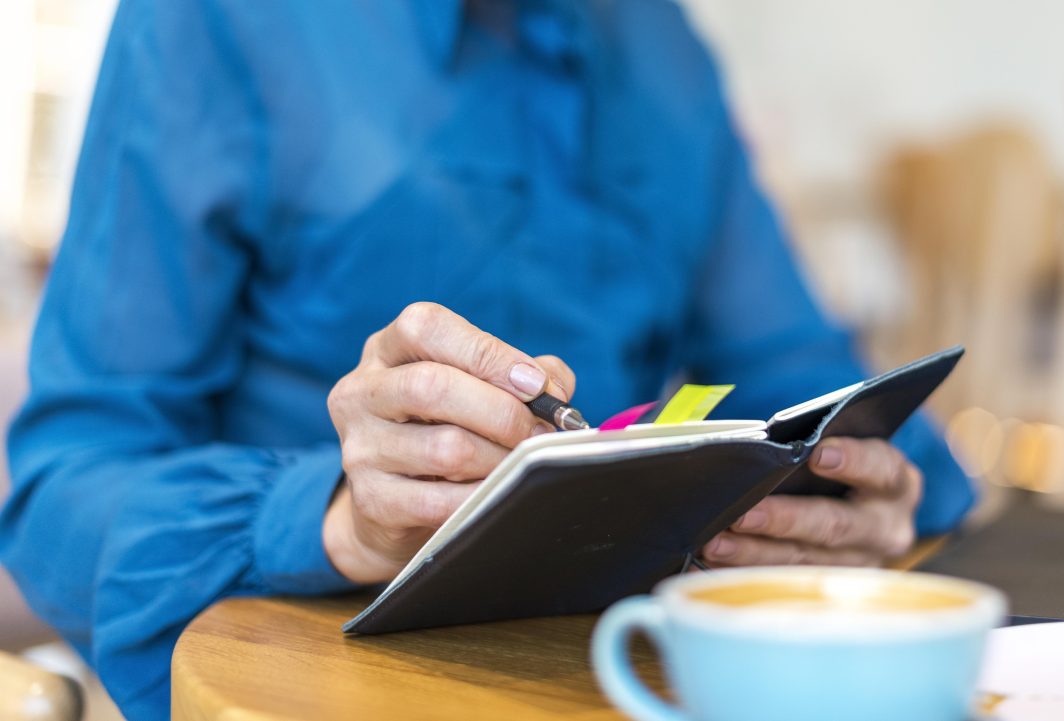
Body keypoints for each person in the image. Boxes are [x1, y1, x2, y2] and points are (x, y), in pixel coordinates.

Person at [0, 1, 975, 719]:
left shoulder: (665, 48)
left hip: (636, 678)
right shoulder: (211, 22)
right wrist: (339, 518)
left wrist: (868, 493)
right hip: (309, 682)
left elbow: (799, 371)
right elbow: (60, 495)